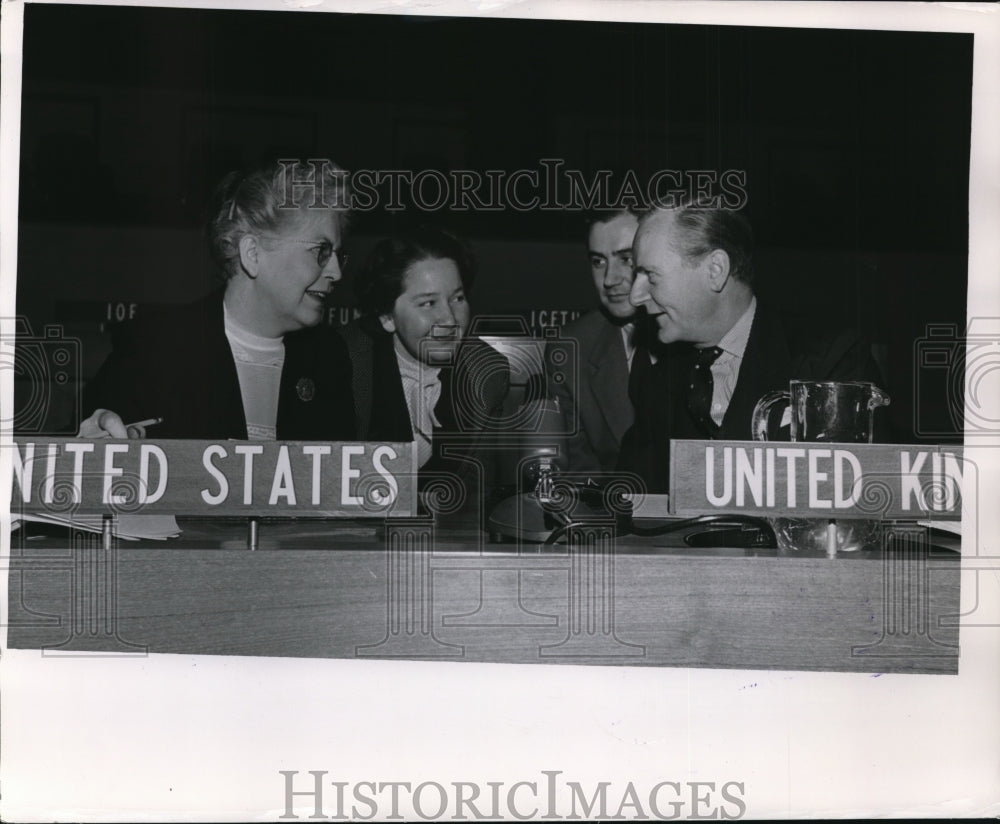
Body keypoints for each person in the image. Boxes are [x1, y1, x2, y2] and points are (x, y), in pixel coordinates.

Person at [617, 197, 886, 492]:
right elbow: (636, 505)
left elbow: (865, 492)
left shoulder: (830, 360)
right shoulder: (656, 385)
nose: (635, 296)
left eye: (650, 276)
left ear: (715, 270)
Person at [79, 158, 356, 440]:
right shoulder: (154, 349)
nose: (335, 272)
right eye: (321, 250)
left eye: (337, 254)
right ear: (253, 254)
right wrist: (93, 436)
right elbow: (71, 449)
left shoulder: (329, 359)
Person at [342, 227, 509, 503]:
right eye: (428, 303)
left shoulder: (487, 374)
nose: (449, 318)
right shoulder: (347, 362)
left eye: (457, 298)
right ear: (387, 317)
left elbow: (480, 497)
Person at [546, 207, 654, 475]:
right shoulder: (572, 349)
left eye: (626, 259)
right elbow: (578, 475)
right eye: (598, 261)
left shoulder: (704, 333)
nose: (609, 279)